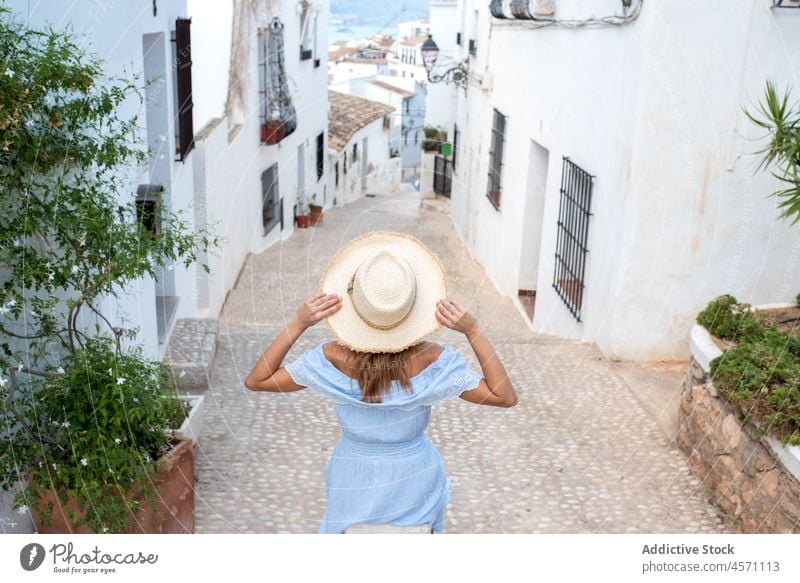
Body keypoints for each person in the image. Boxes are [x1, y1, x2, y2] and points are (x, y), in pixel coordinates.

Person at [244, 231, 517, 533]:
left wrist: (299, 322)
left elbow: (258, 380)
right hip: (415, 485)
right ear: (412, 306)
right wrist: (473, 330)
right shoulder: (432, 359)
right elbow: (503, 396)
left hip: (353, 481)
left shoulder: (332, 357)